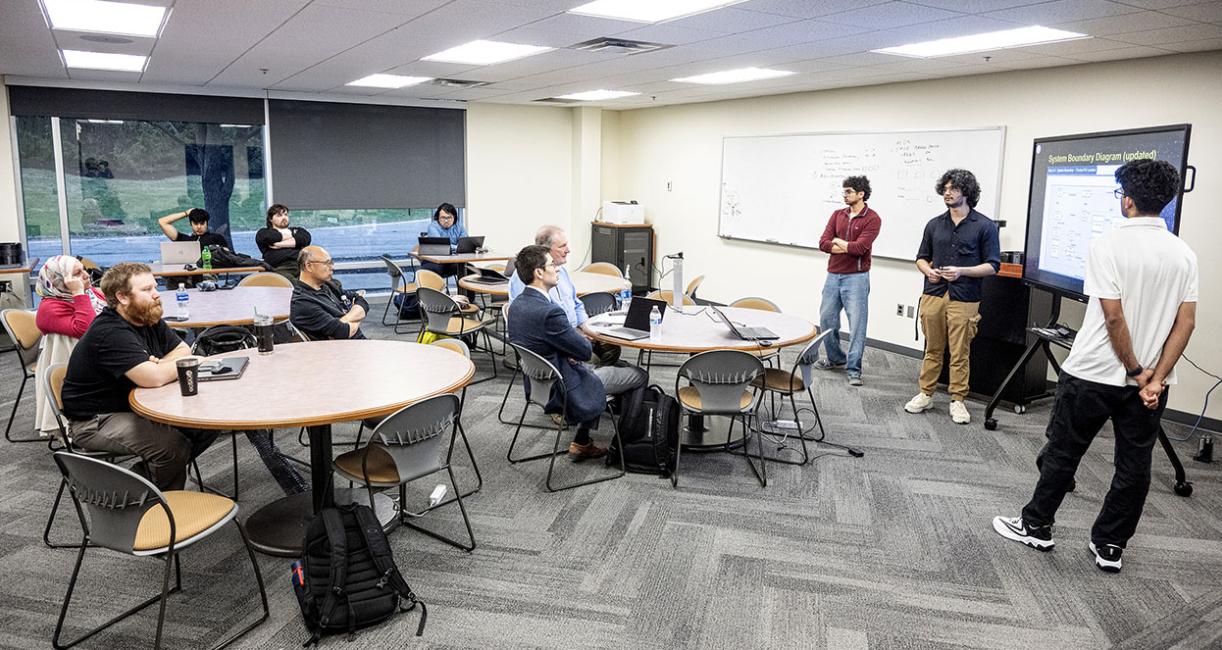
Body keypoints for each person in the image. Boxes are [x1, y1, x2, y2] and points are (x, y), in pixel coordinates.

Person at [993, 159, 1197, 573]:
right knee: (1134, 465)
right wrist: (1154, 379)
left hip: (1093, 374)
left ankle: (1036, 525)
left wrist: (1136, 370)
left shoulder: (1108, 244)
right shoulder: (1184, 254)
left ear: (1128, 201)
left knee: (1063, 452)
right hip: (1151, 386)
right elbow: (1186, 322)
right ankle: (1109, 546)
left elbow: (1114, 318)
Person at [60, 262, 219, 490]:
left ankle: (138, 484)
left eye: (155, 287)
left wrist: (161, 364)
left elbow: (183, 349)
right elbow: (153, 379)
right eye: (147, 290)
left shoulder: (146, 316)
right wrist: (181, 364)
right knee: (171, 446)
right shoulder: (110, 331)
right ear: (122, 297)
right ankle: (158, 505)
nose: (156, 295)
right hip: (96, 420)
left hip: (132, 405)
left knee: (205, 424)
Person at [508, 244, 646, 459]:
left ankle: (583, 441)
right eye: (551, 264)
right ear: (539, 273)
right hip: (565, 385)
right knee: (638, 374)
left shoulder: (516, 306)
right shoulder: (550, 312)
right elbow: (583, 350)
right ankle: (623, 446)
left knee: (615, 367)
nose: (556, 268)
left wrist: (565, 349)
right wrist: (574, 346)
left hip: (540, 384)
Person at [904, 169, 1000, 424]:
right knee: (932, 349)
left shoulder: (985, 226)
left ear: (966, 192)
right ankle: (926, 393)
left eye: (953, 189)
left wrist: (962, 271)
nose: (947, 193)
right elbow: (921, 258)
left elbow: (993, 265)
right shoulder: (934, 224)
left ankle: (957, 400)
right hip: (934, 293)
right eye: (944, 189)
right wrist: (928, 271)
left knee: (960, 352)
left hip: (965, 297)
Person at [509, 225, 619, 366]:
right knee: (593, 359)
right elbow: (532, 323)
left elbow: (576, 303)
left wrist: (585, 327)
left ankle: (599, 377)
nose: (568, 250)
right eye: (562, 246)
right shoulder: (526, 278)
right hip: (556, 339)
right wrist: (572, 338)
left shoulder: (562, 272)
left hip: (571, 330)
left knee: (613, 346)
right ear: (546, 250)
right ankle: (588, 378)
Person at [814, 176, 882, 386]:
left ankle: (854, 369)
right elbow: (823, 244)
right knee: (827, 320)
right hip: (833, 275)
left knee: (857, 326)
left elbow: (859, 249)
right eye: (844, 191)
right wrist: (843, 245)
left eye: (849, 191)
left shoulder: (872, 218)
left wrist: (839, 242)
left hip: (857, 278)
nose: (844, 195)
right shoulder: (837, 215)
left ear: (861, 194)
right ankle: (836, 359)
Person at [33, 256, 108, 437]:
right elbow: (87, 330)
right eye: (77, 273)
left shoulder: (92, 293)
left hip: (98, 355)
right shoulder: (49, 308)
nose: (86, 275)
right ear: (60, 281)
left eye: (84, 269)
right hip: (78, 367)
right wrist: (78, 293)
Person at [290, 246, 369, 340]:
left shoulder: (328, 286)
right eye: (327, 263)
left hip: (360, 344)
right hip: (343, 351)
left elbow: (361, 300)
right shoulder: (302, 302)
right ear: (308, 266)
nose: (332, 267)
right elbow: (343, 331)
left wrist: (346, 319)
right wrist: (357, 316)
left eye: (331, 263)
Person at [256, 203, 312, 279]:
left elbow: (305, 239)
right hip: (280, 268)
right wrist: (294, 237)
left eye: (285, 215)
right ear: (270, 219)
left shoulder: (298, 230)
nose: (284, 217)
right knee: (292, 282)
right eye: (279, 215)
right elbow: (270, 238)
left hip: (302, 265)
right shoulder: (264, 232)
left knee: (326, 281)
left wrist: (279, 244)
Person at [421, 202, 468, 278]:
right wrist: (457, 247)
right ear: (438, 218)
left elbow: (465, 244)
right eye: (443, 218)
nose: (446, 221)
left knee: (469, 269)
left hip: (452, 262)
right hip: (435, 261)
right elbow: (441, 245)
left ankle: (466, 290)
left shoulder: (459, 226)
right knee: (435, 270)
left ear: (454, 218)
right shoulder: (433, 227)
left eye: (449, 217)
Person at [157, 207, 228, 249]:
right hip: (187, 272)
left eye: (202, 223)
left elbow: (227, 256)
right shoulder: (185, 240)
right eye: (196, 223)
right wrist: (186, 213)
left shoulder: (216, 238)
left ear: (207, 223)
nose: (199, 227)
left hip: (208, 272)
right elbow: (162, 222)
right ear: (191, 224)